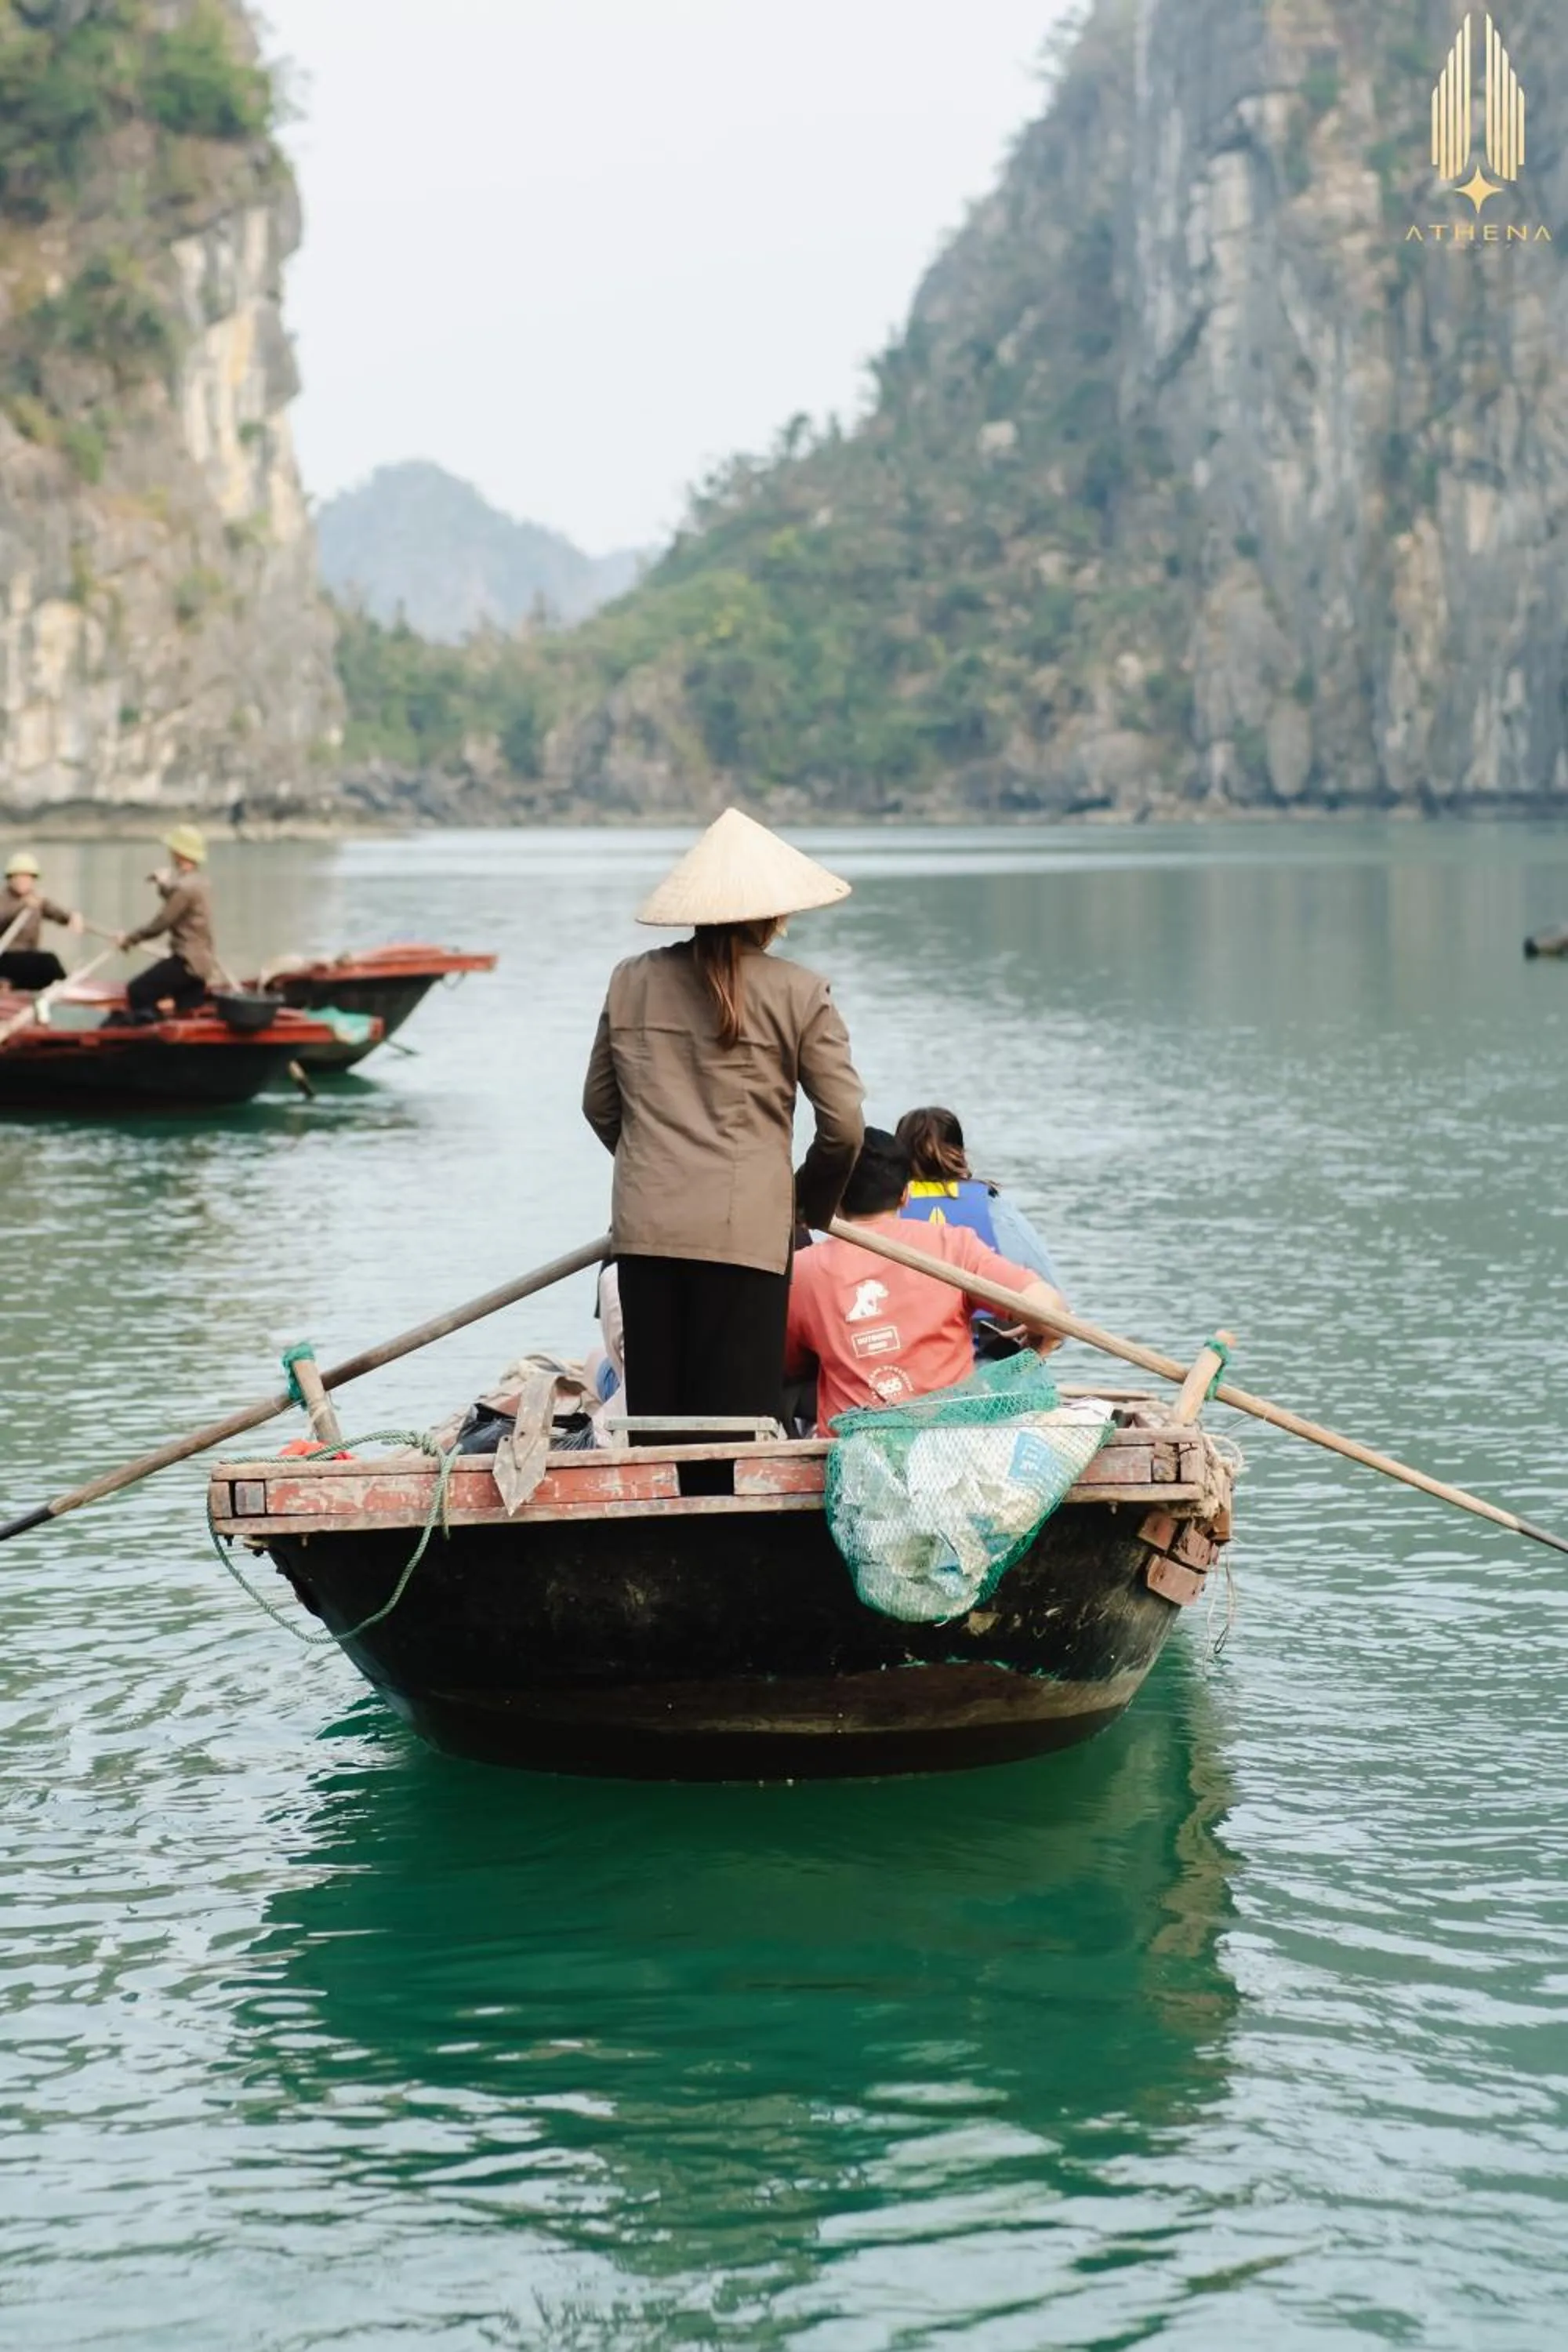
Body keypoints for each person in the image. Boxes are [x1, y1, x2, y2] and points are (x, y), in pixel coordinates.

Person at [583, 807, 865, 1437]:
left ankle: (664, 1529)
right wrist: (803, 1204)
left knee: (660, 1421)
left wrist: (653, 1170)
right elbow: (844, 1125)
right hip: (748, 1237)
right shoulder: (801, 993)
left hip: (648, 1232)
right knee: (739, 1429)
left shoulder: (631, 981)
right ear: (775, 914)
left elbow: (600, 1105)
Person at [785, 1128, 1072, 1432]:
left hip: (855, 1455)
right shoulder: (954, 1245)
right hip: (948, 1446)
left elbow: (787, 1365)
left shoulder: (804, 1269)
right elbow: (1048, 1310)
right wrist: (1046, 1329)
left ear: (835, 1198)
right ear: (906, 1194)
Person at [895, 1105, 1062, 1286]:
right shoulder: (992, 1207)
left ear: (898, 1155)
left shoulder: (886, 1208)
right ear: (960, 1153)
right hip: (983, 1311)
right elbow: (1047, 1282)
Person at [118, 826, 220, 1019]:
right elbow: (179, 901)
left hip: (186, 963)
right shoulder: (202, 883)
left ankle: (150, 1037)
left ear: (179, 853)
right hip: (203, 965)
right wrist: (163, 884)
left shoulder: (184, 888)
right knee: (186, 1013)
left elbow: (160, 924)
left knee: (138, 991)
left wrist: (130, 939)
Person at [0, 851, 82, 991]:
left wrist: (72, 917)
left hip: (29, 957)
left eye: (27, 877)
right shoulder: (4, 899)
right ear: (10, 879)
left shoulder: (37, 900)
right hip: (5, 957)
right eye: (19, 877)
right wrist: (23, 906)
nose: (23, 881)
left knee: (41, 966)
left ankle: (65, 992)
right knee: (49, 961)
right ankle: (67, 989)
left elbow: (57, 913)